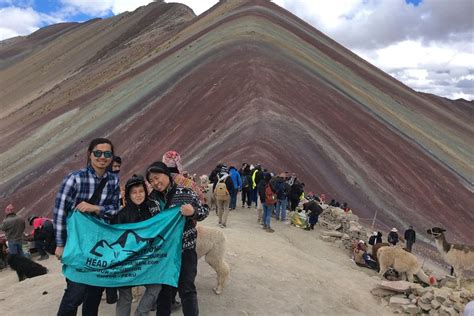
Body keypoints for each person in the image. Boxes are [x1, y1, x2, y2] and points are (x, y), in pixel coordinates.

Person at [53, 138, 120, 316]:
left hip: (100, 245)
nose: (102, 157)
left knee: (94, 295)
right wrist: (60, 244)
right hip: (78, 244)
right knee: (75, 292)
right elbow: (60, 212)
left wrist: (96, 208)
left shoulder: (113, 181)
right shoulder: (74, 179)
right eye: (98, 153)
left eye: (107, 154)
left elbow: (115, 209)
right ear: (89, 154)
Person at [146, 162, 209, 316]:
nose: (155, 182)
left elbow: (204, 211)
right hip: (163, 252)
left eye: (157, 177)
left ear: (167, 174)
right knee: (164, 291)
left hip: (185, 249)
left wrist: (193, 211)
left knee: (187, 288)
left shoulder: (185, 192)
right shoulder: (151, 200)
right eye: (151, 181)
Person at [113, 174, 158, 316]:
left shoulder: (152, 211)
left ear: (146, 191)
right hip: (127, 261)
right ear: (128, 195)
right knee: (125, 295)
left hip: (147, 260)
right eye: (134, 192)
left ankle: (141, 313)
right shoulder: (122, 215)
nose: (138, 195)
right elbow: (115, 238)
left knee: (156, 286)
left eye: (141, 191)